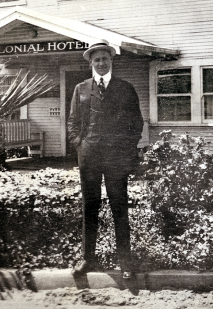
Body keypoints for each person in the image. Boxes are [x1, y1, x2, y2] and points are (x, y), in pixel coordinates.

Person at [68, 41, 144, 279]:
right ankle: (88, 259)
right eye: (97, 60)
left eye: (105, 59)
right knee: (90, 208)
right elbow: (72, 122)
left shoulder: (125, 88)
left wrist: (126, 148)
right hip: (89, 157)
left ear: (112, 61)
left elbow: (137, 123)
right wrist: (79, 144)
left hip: (116, 159)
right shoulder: (81, 88)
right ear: (91, 63)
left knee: (119, 208)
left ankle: (125, 263)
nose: (101, 63)